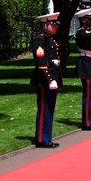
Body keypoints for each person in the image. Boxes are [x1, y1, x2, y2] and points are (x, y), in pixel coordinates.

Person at [30, 12, 63, 147]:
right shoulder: (40, 40)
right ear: (46, 25)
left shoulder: (50, 39)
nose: (56, 27)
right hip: (43, 80)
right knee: (45, 108)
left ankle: (47, 136)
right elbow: (41, 62)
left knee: (50, 108)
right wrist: (50, 79)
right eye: (53, 24)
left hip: (50, 78)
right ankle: (42, 138)